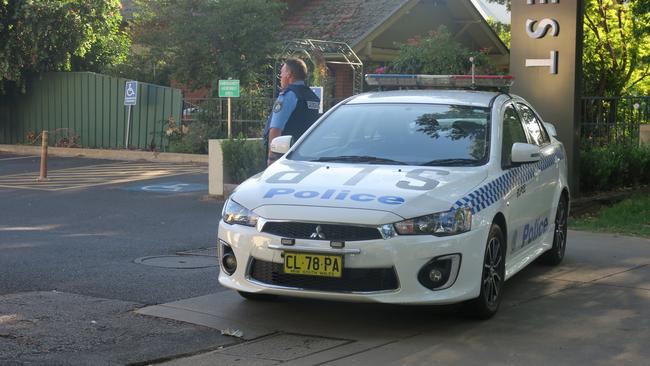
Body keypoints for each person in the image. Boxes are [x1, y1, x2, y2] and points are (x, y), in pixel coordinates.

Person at [263, 58, 320, 166]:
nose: (280, 76)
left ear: (289, 74)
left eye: (282, 72)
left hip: (285, 156)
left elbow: (276, 128)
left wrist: (272, 157)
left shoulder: (289, 95)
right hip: (306, 155)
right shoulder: (312, 96)